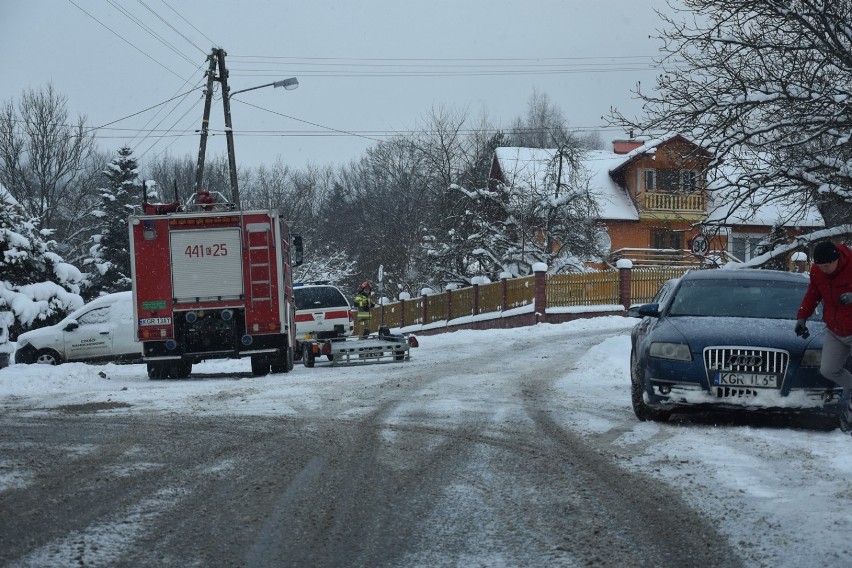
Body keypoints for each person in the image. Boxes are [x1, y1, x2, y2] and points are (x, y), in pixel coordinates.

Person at [796, 240, 852, 431]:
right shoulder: (818, 272)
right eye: (820, 266)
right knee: (829, 369)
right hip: (835, 330)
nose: (824, 269)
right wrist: (802, 317)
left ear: (837, 258)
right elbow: (813, 293)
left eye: (827, 265)